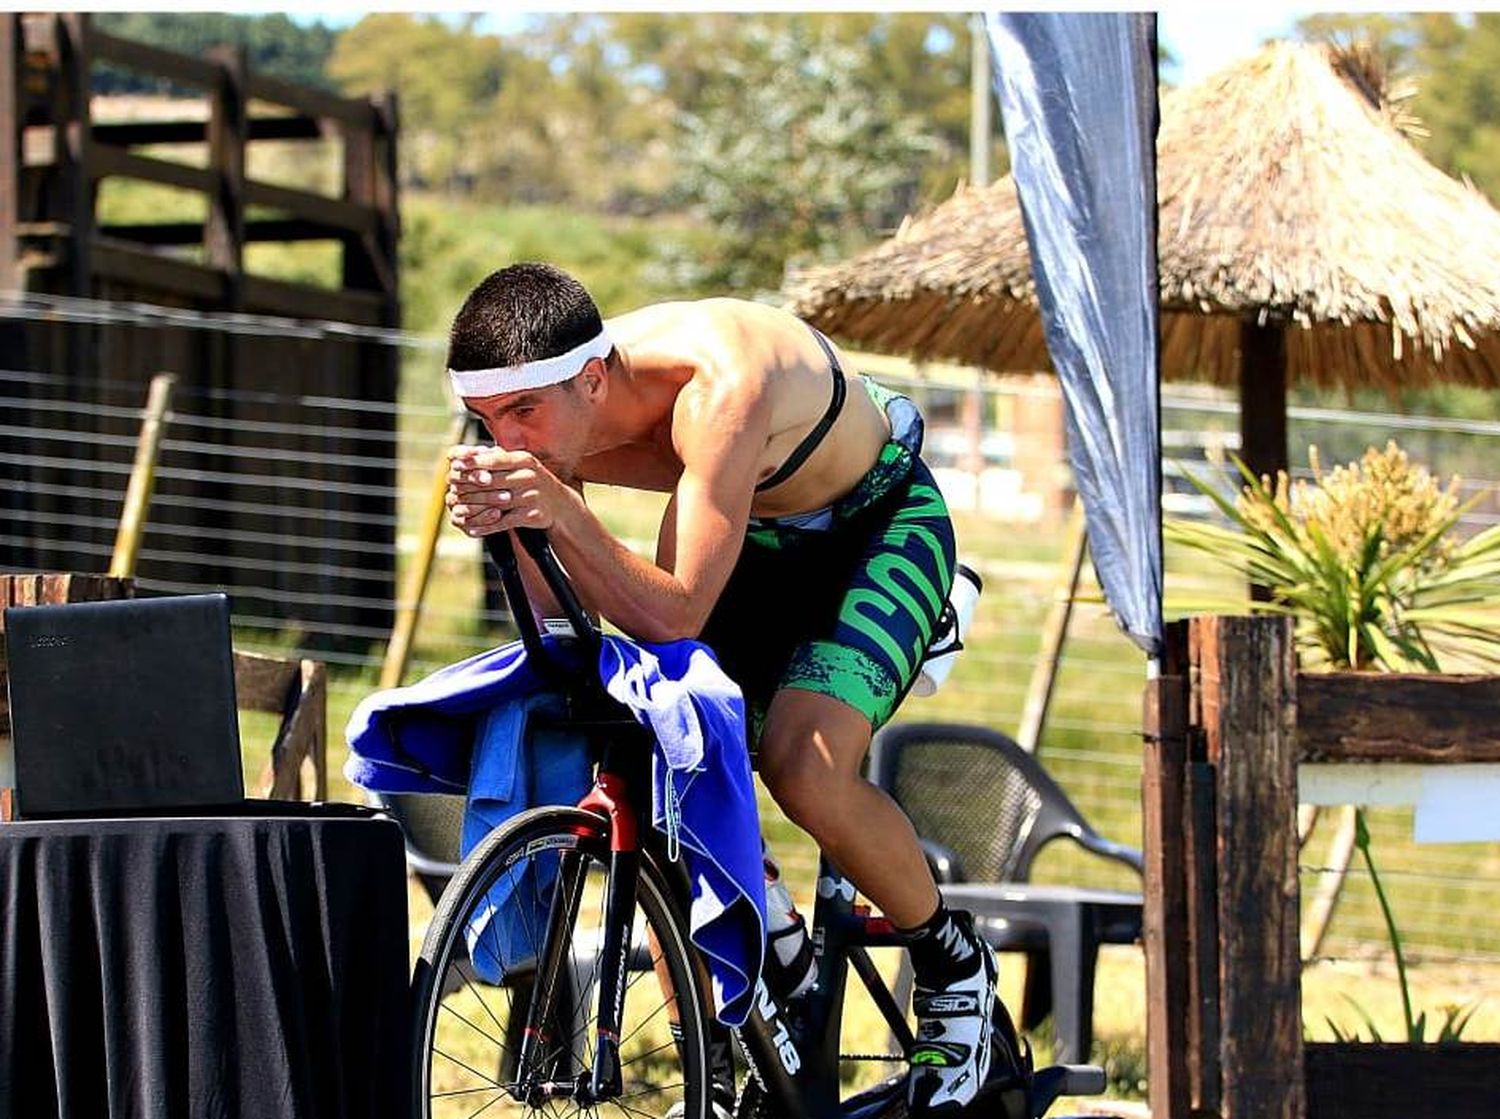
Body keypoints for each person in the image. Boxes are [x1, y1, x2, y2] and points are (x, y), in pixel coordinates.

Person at [444, 262, 1016, 1113]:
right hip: (761, 536)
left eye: (524, 414)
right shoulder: (551, 399)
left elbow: (673, 612)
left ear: (593, 377)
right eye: (489, 420)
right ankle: (749, 985)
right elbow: (560, 619)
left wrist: (560, 514)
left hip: (874, 531)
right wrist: (516, 526)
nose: (508, 439)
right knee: (652, 748)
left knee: (804, 766)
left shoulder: (720, 386)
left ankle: (952, 964)